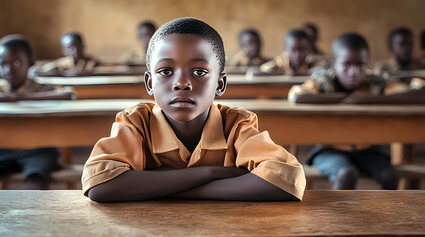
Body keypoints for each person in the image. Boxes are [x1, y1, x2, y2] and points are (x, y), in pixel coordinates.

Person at [81, 17, 306, 202]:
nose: (182, 83)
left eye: (199, 72)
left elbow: (287, 180)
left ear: (220, 84)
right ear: (150, 83)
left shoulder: (235, 125)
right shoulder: (137, 123)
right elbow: (100, 184)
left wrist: (159, 185)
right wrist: (211, 173)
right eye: (166, 71)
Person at [288, 33, 425, 190]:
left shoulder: (376, 80)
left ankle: (386, 214)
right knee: (347, 173)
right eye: (346, 65)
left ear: (367, 64)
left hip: (368, 149)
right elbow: (297, 96)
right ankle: (340, 215)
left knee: (389, 176)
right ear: (334, 64)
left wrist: (366, 99)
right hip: (330, 148)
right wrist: (347, 99)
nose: (353, 72)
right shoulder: (324, 79)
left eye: (360, 65)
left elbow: (417, 93)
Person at [0, 34, 75, 189]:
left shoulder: (42, 88)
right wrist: (6, 97)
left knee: (37, 181)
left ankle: (37, 213)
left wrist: (19, 97)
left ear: (31, 62)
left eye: (17, 62)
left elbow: (68, 94)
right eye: (2, 64)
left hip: (39, 148)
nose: (8, 69)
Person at [259, 29, 326, 76]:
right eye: (293, 50)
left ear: (308, 49)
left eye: (302, 50)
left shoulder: (311, 60)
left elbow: (323, 69)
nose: (298, 55)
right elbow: (263, 70)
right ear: (285, 49)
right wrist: (286, 74)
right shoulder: (281, 61)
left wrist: (299, 74)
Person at [35, 32, 100, 76]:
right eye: (70, 48)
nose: (75, 50)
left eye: (78, 46)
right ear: (64, 50)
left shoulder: (93, 64)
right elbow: (38, 71)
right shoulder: (59, 65)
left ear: (83, 46)